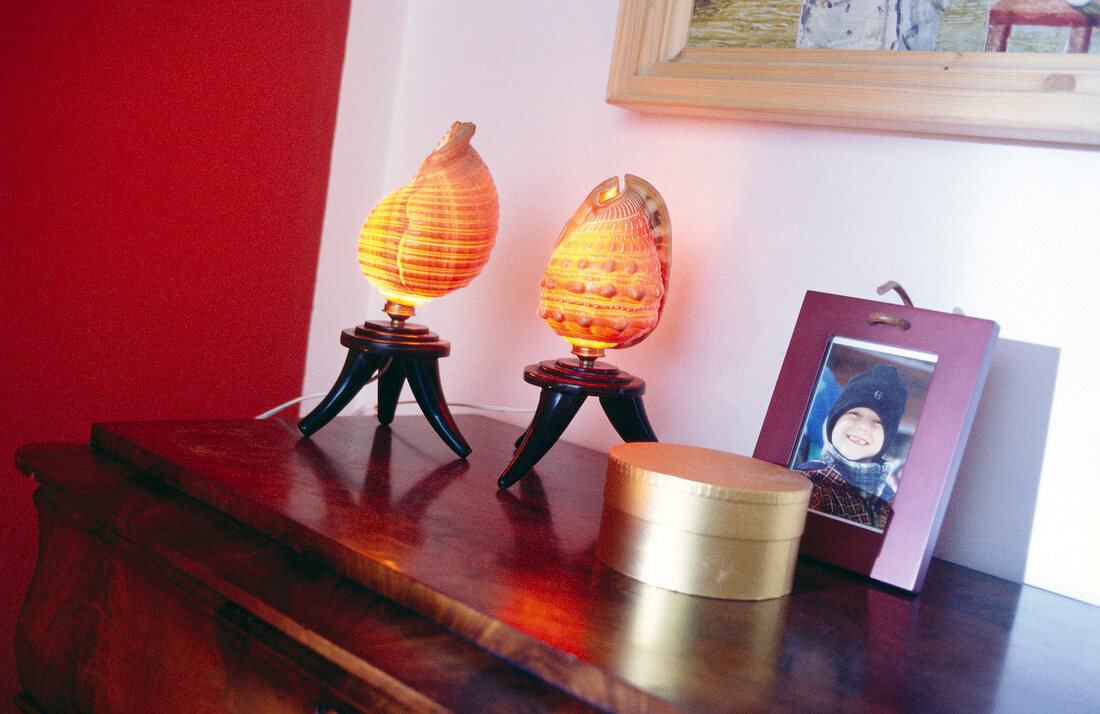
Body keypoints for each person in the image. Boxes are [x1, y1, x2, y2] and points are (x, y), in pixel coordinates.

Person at [796, 364, 908, 530]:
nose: (863, 426)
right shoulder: (805, 480)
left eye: (878, 422)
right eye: (854, 413)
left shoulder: (890, 503)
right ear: (834, 421)